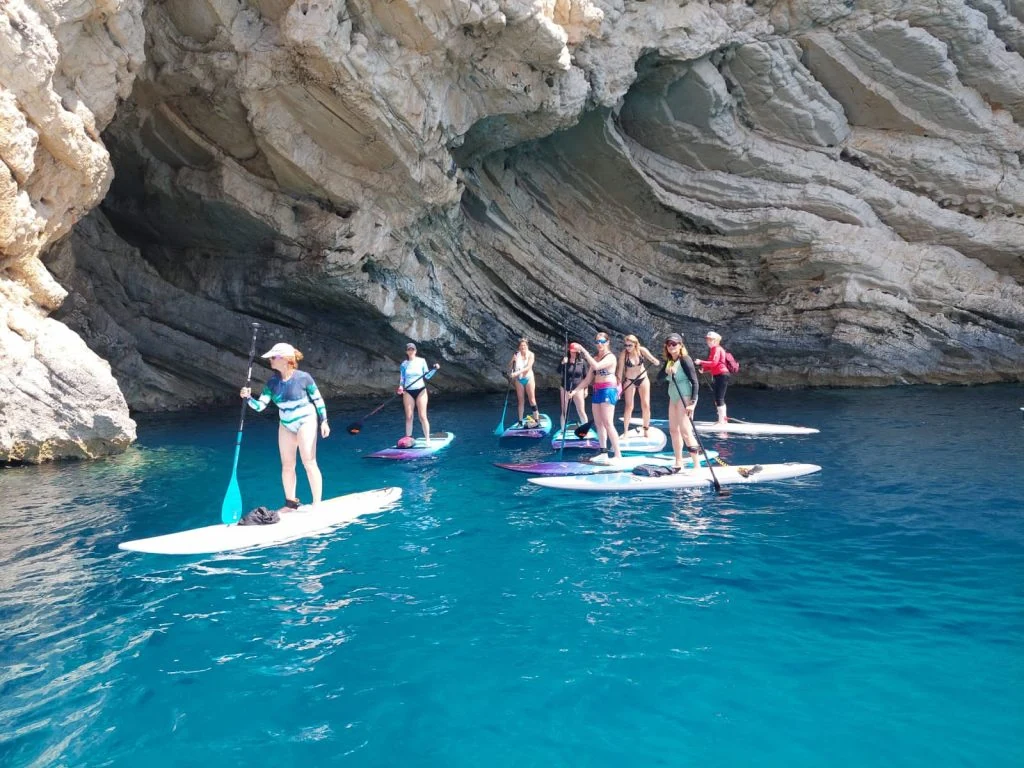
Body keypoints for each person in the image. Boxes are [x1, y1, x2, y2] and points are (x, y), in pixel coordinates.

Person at [240, 342, 330, 508]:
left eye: (274, 357)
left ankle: (317, 503)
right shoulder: (272, 383)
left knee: (309, 461)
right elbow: (260, 407)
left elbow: (318, 400)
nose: (271, 360)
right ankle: (291, 503)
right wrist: (248, 398)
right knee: (288, 465)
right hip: (286, 424)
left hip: (306, 420)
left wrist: (324, 421)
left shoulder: (304, 378)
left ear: (285, 359)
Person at [568, 332, 621, 459]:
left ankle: (618, 454)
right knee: (599, 423)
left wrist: (582, 350)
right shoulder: (595, 357)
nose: (599, 344)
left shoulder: (611, 357)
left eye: (602, 342)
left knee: (608, 422)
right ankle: (603, 452)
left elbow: (597, 366)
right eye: (597, 342)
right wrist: (575, 391)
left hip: (608, 390)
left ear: (607, 342)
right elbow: (587, 380)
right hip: (597, 391)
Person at [662, 333, 702, 471]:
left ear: (680, 345)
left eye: (674, 344)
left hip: (684, 394)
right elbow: (659, 376)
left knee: (685, 431)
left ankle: (697, 465)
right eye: (669, 344)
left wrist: (693, 402)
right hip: (673, 395)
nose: (671, 346)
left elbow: (695, 382)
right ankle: (679, 461)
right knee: (673, 430)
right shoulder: (669, 360)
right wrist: (667, 370)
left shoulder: (685, 360)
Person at [617, 334, 660, 438]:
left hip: (643, 379)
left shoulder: (642, 350)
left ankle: (646, 429)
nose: (627, 347)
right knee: (629, 407)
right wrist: (618, 386)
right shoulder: (624, 354)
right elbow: (620, 371)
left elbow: (656, 362)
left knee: (646, 405)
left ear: (635, 344)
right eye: (626, 345)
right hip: (629, 381)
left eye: (630, 345)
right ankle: (626, 431)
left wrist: (655, 361)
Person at [398, 342, 440, 443]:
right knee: (409, 416)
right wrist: (400, 387)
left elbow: (427, 376)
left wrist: (435, 369)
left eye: (412, 349)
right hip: (408, 391)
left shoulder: (421, 361)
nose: (411, 351)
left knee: (422, 416)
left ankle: (427, 439)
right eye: (409, 349)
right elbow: (402, 378)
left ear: (415, 351)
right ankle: (408, 439)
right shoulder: (403, 364)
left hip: (421, 390)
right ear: (406, 351)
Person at [695, 330, 730, 426]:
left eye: (710, 339)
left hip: (722, 375)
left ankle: (722, 421)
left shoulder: (716, 349)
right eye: (707, 339)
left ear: (715, 340)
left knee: (719, 398)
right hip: (719, 375)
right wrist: (704, 369)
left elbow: (714, 363)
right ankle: (723, 419)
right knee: (718, 397)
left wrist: (701, 362)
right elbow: (713, 365)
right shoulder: (714, 350)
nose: (708, 341)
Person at [509, 338, 540, 427]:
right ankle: (520, 421)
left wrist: (516, 373)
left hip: (528, 378)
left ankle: (536, 420)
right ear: (519, 347)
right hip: (519, 380)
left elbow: (528, 367)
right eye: (521, 346)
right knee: (521, 401)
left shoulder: (531, 355)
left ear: (527, 346)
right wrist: (513, 360)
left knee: (532, 400)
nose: (523, 347)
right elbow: (510, 366)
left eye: (525, 345)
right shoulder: (516, 354)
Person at [558, 343, 589, 431]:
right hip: (565, 388)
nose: (574, 354)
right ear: (569, 351)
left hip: (578, 388)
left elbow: (585, 377)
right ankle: (563, 430)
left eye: (576, 352)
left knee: (581, 410)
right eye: (572, 352)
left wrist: (586, 389)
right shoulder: (565, 360)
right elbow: (558, 371)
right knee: (564, 411)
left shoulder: (582, 362)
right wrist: (562, 363)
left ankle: (585, 429)